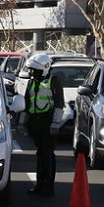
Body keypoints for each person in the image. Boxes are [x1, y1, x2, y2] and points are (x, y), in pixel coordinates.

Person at [24, 53, 64, 197]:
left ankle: (49, 186)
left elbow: (59, 104)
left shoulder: (54, 81)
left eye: (35, 70)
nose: (32, 73)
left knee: (48, 155)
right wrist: (23, 122)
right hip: (35, 122)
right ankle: (40, 185)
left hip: (48, 122)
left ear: (44, 69)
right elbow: (26, 103)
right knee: (40, 154)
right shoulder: (31, 82)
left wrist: (55, 123)